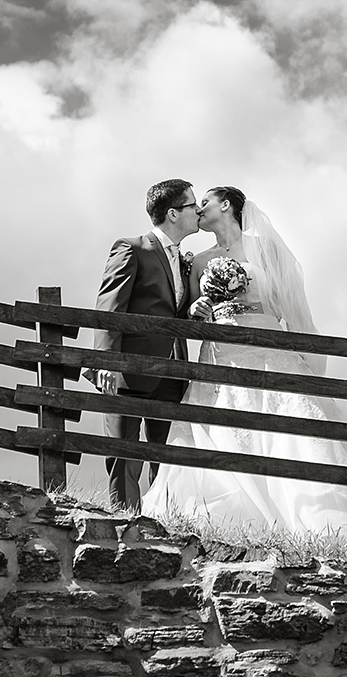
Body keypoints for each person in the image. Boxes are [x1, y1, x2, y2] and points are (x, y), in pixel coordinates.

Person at [140, 186, 347, 541]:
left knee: (290, 432)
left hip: (267, 349)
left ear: (226, 204)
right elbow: (192, 315)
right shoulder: (199, 261)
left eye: (205, 201)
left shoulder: (265, 249)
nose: (199, 208)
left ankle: (319, 527)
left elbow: (289, 306)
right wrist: (197, 309)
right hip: (219, 356)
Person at [88, 178, 201, 510]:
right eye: (192, 205)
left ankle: (162, 521)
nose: (198, 211)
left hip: (172, 371)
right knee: (125, 455)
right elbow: (109, 306)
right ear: (173, 213)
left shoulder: (184, 260)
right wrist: (106, 362)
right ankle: (124, 523)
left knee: (166, 459)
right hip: (130, 370)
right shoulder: (132, 248)